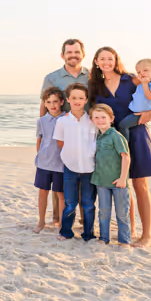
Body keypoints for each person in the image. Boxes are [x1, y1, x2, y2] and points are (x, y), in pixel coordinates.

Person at [88, 47, 151, 248]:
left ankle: (146, 235)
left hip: (136, 134)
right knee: (123, 185)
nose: (106, 62)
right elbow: (92, 112)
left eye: (110, 58)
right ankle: (131, 228)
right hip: (112, 139)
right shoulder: (95, 86)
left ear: (115, 60)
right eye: (102, 59)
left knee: (141, 186)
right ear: (96, 62)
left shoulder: (130, 79)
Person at [39, 39, 90, 224]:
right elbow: (44, 105)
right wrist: (43, 133)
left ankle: (85, 218)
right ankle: (57, 217)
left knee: (84, 173)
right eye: (69, 52)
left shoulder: (92, 76)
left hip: (86, 131)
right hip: (60, 131)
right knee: (59, 172)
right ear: (63, 55)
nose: (73, 55)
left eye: (77, 52)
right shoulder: (52, 78)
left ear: (83, 54)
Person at [55, 83, 97, 242]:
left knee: (88, 204)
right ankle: (66, 232)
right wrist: (69, 155)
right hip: (70, 167)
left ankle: (88, 234)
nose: (77, 101)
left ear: (86, 100)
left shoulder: (93, 120)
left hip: (89, 168)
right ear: (68, 100)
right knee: (70, 203)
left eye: (81, 98)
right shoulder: (62, 121)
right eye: (74, 98)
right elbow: (60, 142)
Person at [90, 104, 131, 246]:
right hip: (101, 181)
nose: (100, 120)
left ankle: (124, 241)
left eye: (103, 117)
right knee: (104, 212)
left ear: (111, 119)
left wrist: (122, 179)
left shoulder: (116, 136)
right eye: (96, 117)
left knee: (121, 214)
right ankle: (104, 238)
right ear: (92, 120)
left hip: (118, 182)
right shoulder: (97, 136)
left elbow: (125, 157)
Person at [33, 87, 66, 234]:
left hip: (61, 163)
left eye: (55, 101)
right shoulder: (42, 121)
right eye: (49, 102)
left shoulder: (67, 119)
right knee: (43, 192)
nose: (52, 105)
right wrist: (40, 155)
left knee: (61, 194)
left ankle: (61, 223)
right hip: (44, 163)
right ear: (44, 104)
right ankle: (41, 221)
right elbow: (39, 140)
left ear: (61, 102)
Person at [119, 58, 151, 141]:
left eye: (145, 70)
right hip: (136, 112)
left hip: (142, 114)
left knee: (123, 125)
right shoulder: (143, 83)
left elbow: (150, 97)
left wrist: (145, 84)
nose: (142, 73)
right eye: (139, 72)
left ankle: (124, 147)